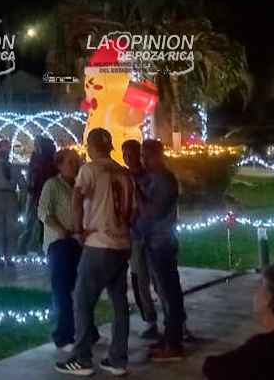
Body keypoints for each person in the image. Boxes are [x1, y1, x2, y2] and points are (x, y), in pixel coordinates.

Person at [56, 128, 136, 377]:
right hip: (122, 244)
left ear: (90, 146)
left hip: (99, 243)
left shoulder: (90, 170)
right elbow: (134, 210)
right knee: (118, 301)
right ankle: (118, 359)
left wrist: (79, 230)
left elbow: (78, 198)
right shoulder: (124, 172)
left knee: (81, 299)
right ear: (110, 147)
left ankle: (82, 358)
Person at [201, 263, 274, 380]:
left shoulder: (264, 348)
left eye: (259, 287)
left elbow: (214, 368)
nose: (255, 294)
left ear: (268, 298)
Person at [138, 139, 186, 361]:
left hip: (162, 244)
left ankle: (174, 343)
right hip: (152, 242)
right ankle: (169, 337)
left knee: (169, 294)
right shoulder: (151, 178)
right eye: (142, 156)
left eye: (148, 156)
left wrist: (137, 195)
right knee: (163, 292)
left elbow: (155, 211)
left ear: (160, 155)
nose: (144, 160)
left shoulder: (166, 181)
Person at [40, 148, 83, 349]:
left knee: (82, 290)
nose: (75, 165)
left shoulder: (79, 185)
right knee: (63, 291)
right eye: (70, 162)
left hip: (79, 242)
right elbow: (44, 212)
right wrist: (62, 231)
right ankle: (63, 336)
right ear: (59, 165)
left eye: (77, 162)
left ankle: (87, 333)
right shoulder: (53, 185)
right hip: (60, 243)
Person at [123, 140, 159, 340]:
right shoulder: (125, 177)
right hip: (135, 236)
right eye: (125, 154)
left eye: (133, 154)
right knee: (139, 279)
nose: (129, 158)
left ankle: (174, 319)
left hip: (153, 235)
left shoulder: (150, 177)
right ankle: (149, 319)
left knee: (160, 278)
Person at [21, 136, 57, 254]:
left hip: (41, 192)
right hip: (36, 192)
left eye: (37, 144)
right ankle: (25, 246)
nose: (35, 147)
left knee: (40, 221)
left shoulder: (45, 160)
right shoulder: (38, 158)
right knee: (32, 220)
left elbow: (36, 174)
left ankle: (40, 246)